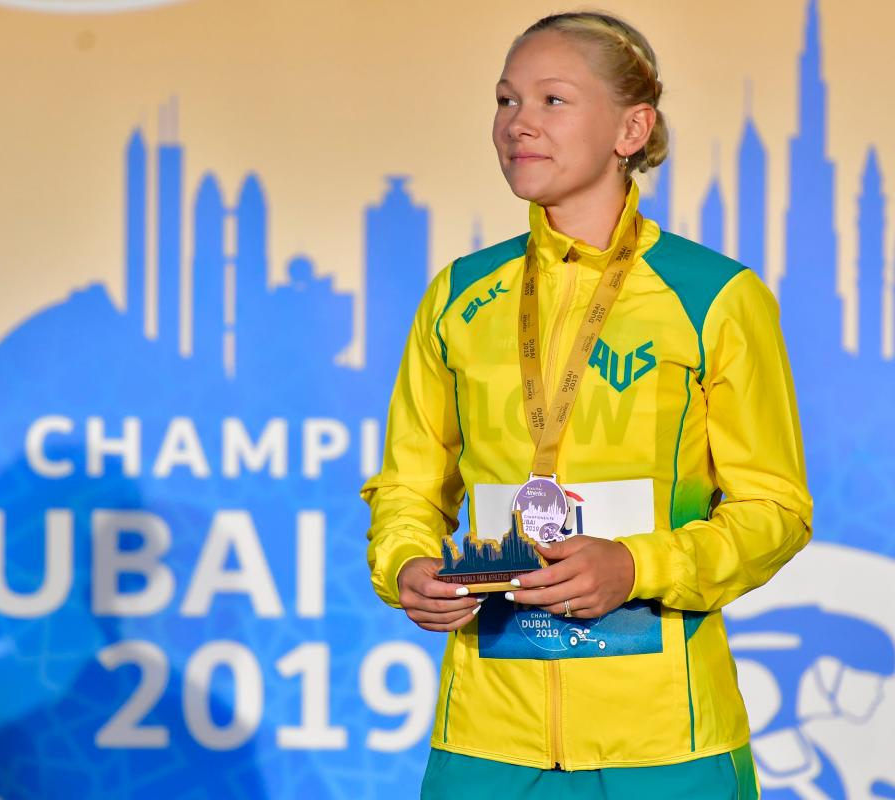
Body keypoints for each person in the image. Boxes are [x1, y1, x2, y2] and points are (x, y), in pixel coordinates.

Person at [361, 11, 812, 799]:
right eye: (505, 102)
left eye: (552, 101)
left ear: (632, 128)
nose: (518, 125)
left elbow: (774, 509)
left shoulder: (715, 297)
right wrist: (404, 564)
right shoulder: (461, 294)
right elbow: (407, 484)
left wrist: (638, 564)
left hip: (667, 741)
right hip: (487, 740)